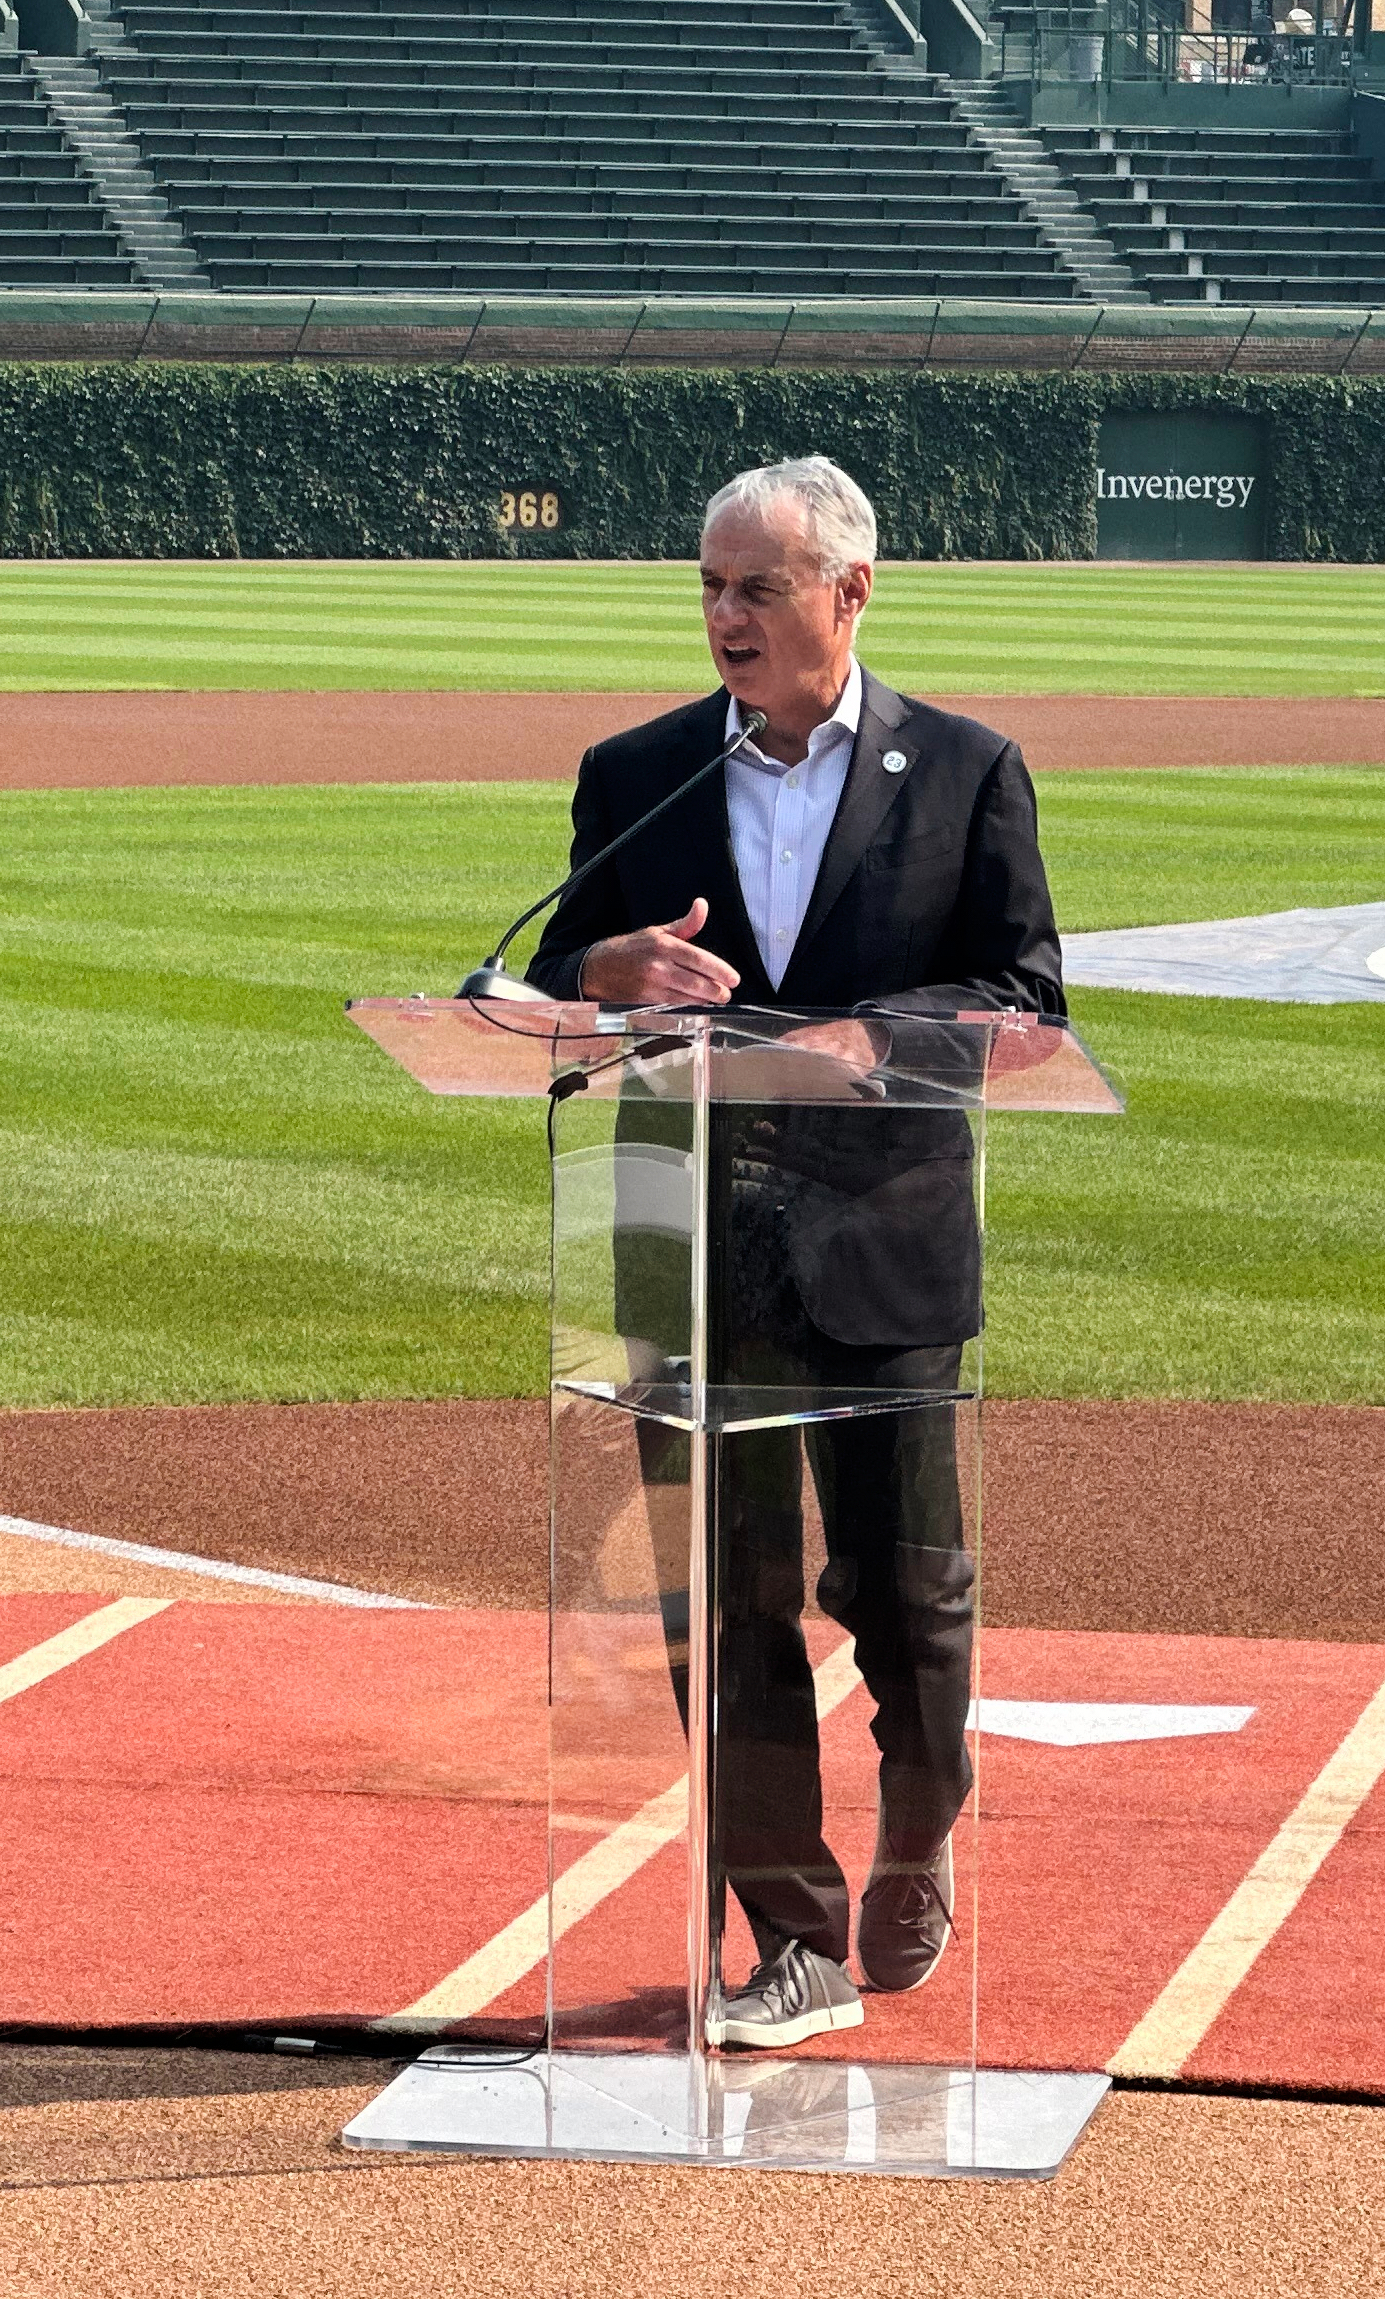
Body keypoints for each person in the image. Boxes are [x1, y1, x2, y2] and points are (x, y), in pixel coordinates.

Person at [527, 457, 1064, 2049]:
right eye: (707, 584)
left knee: (905, 1590)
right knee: (726, 1599)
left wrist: (869, 1033)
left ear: (851, 592)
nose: (724, 616)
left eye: (757, 587)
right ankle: (795, 1933)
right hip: (685, 1237)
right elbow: (553, 976)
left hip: (882, 1239)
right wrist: (605, 966)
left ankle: (926, 1808)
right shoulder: (636, 774)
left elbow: (1028, 1001)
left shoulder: (967, 770)